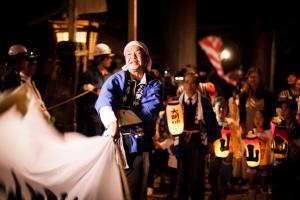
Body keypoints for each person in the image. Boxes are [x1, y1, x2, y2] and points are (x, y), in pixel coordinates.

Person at [95, 41, 162, 200]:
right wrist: (111, 120)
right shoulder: (116, 79)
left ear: (146, 58)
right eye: (129, 54)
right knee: (112, 191)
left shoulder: (153, 83)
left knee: (135, 190)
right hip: (114, 141)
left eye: (137, 53)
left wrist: (118, 115)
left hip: (138, 143)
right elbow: (104, 102)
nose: (133, 57)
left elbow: (148, 111)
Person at [175, 71, 221, 200]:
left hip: (198, 142)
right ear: (183, 84)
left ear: (197, 85)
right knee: (182, 176)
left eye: (193, 83)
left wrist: (212, 141)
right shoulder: (175, 101)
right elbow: (168, 121)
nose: (189, 86)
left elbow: (212, 122)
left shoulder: (204, 102)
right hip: (182, 141)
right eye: (187, 82)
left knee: (197, 177)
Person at [78, 43, 114, 136]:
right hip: (94, 116)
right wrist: (84, 88)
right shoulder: (89, 74)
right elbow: (79, 94)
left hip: (107, 115)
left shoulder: (109, 76)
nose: (110, 59)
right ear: (100, 58)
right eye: (108, 57)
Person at [246, 110, 273, 200]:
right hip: (253, 162)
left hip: (264, 162)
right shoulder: (251, 133)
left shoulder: (268, 133)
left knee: (263, 182)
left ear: (265, 119)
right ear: (253, 120)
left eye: (260, 117)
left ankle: (264, 196)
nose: (258, 120)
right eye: (256, 118)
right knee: (252, 180)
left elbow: (270, 146)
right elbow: (247, 145)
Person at [19, 51, 51, 121]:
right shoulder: (20, 82)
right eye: (30, 64)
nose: (33, 66)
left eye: (34, 64)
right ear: (24, 64)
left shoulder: (31, 82)